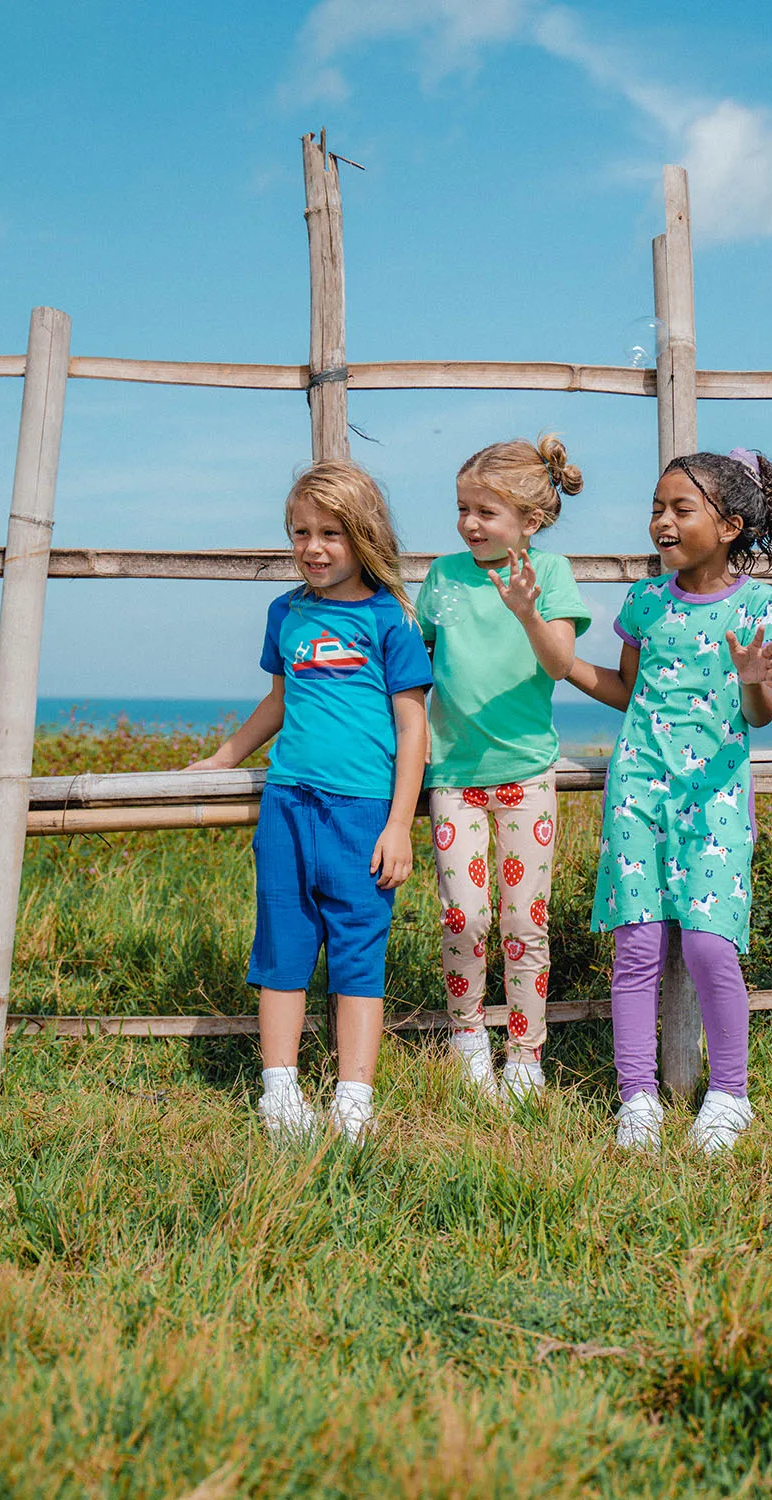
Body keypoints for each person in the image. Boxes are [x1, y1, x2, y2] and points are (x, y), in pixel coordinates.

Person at [567, 448, 772, 1153]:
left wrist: (755, 680)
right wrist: (562, 665)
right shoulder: (644, 601)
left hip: (715, 799)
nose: (660, 522)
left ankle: (729, 1093)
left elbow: (758, 716)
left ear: (729, 525)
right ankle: (635, 1098)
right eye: (656, 507)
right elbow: (626, 691)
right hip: (638, 790)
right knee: (636, 946)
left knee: (708, 945)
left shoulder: (758, 603)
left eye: (680, 509)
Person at [187, 461, 431, 1143]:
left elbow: (412, 725)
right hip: (289, 805)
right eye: (301, 532)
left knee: (359, 952)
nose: (314, 547)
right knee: (282, 947)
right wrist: (225, 757)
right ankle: (280, 1092)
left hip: (362, 815)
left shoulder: (393, 620)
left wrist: (398, 825)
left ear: (364, 535)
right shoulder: (286, 613)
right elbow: (279, 701)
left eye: (331, 533)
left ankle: (353, 1097)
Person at [416, 435, 591, 1103]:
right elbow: (411, 670)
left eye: (485, 512)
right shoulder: (441, 576)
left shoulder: (549, 574)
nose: (469, 524)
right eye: (463, 509)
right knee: (463, 916)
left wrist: (524, 610)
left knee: (523, 921)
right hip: (453, 776)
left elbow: (558, 664)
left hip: (526, 775)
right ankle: (468, 1041)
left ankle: (525, 1051)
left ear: (530, 520)